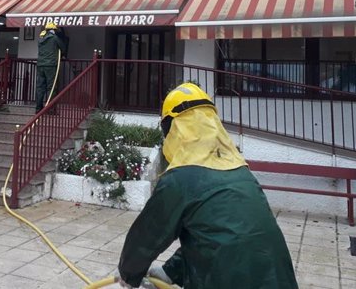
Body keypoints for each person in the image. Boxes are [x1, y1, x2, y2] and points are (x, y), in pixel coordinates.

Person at [117, 83, 298, 289]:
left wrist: (128, 273)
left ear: (172, 128)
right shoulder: (241, 173)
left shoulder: (180, 179)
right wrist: (171, 270)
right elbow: (216, 235)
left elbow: (147, 236)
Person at [35, 21, 67, 113]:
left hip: (40, 65)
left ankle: (38, 108)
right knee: (51, 87)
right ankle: (50, 109)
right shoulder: (54, 38)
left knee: (40, 87)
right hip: (51, 65)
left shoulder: (40, 39)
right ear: (53, 30)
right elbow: (63, 48)